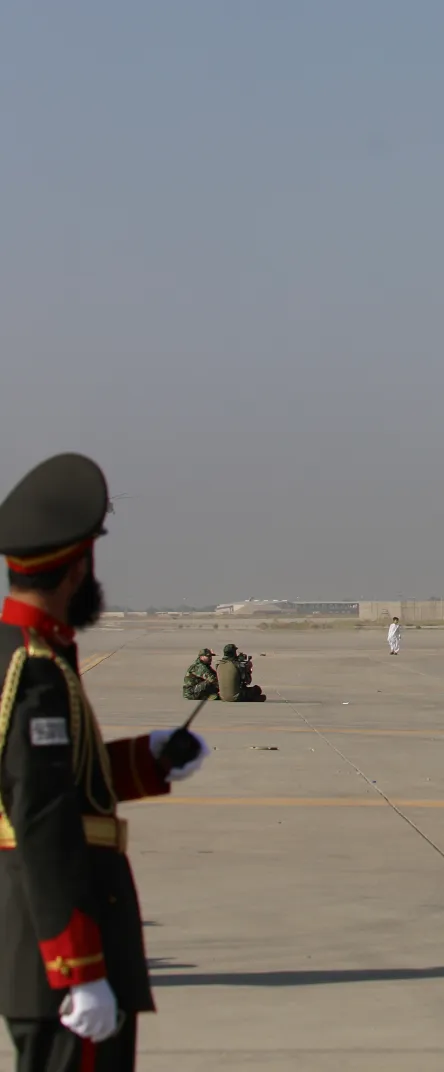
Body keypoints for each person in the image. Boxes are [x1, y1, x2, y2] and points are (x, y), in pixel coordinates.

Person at [0, 452, 209, 1072]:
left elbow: (53, 779)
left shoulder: (26, 652)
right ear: (77, 567)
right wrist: (81, 968)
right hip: (64, 949)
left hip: (41, 945)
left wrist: (146, 761)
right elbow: (41, 817)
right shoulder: (33, 671)